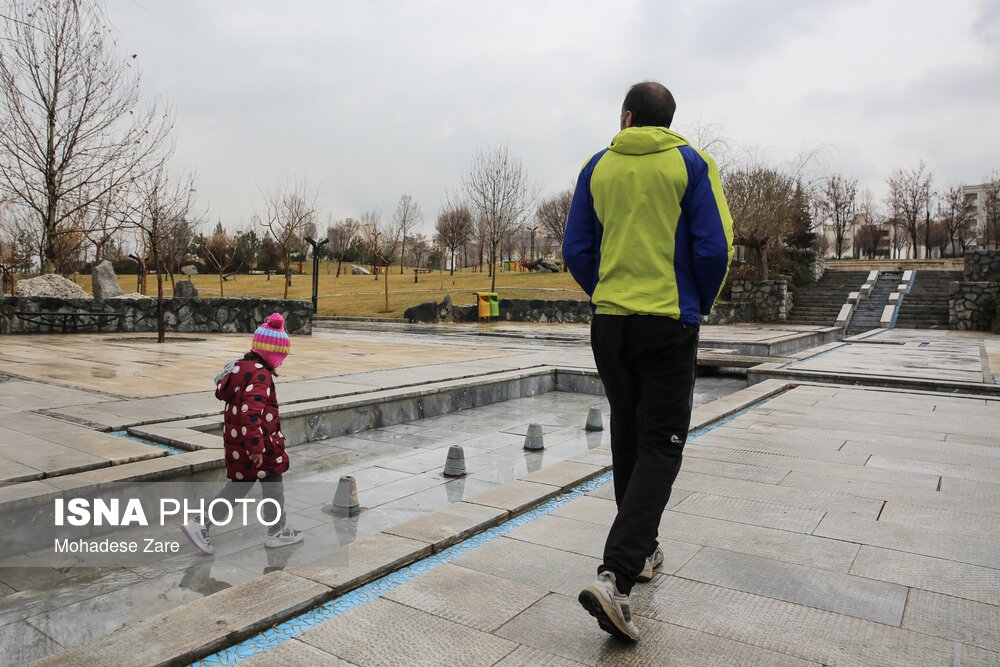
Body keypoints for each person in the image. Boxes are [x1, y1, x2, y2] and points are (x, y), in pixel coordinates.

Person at [563, 81, 733, 641]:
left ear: (627, 116)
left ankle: (647, 547)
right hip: (668, 322)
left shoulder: (597, 166)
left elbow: (577, 250)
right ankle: (618, 575)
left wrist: (605, 292)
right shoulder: (692, 163)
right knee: (662, 443)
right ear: (669, 121)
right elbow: (713, 249)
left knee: (630, 438)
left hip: (610, 324)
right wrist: (693, 305)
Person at [181, 312, 303, 554]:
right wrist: (256, 448)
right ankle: (275, 531)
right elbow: (250, 412)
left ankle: (203, 523)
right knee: (271, 487)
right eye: (282, 355)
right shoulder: (261, 375)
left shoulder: (242, 368)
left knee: (244, 487)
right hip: (259, 447)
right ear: (273, 353)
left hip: (240, 444)